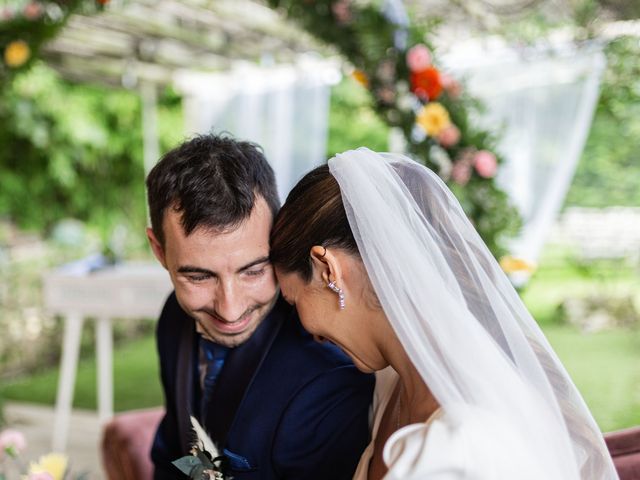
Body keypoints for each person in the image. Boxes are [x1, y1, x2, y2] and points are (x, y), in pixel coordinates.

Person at [270, 148, 619, 479]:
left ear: (328, 269)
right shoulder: (393, 383)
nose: (309, 331)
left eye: (293, 300)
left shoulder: (463, 444)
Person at [145, 134, 374, 480]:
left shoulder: (328, 374)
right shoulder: (173, 319)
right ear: (159, 251)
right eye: (199, 277)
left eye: (253, 271)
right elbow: (173, 454)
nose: (230, 309)